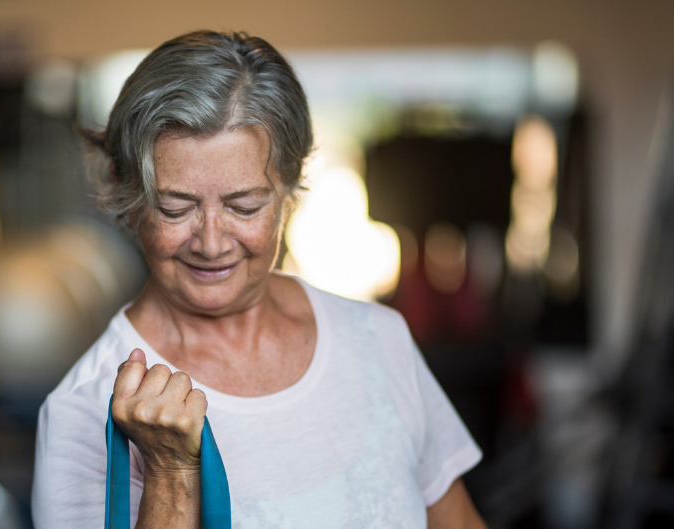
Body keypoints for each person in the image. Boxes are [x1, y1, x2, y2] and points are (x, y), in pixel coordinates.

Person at [32, 30, 487, 529]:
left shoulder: (378, 339)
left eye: (243, 206)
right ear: (128, 193)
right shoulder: (83, 411)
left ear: (289, 190)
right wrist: (170, 477)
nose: (210, 241)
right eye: (175, 207)